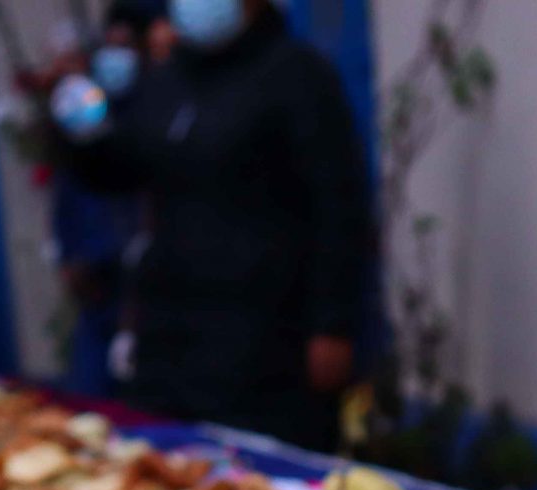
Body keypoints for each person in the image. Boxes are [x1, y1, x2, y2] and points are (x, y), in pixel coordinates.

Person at [54, 0, 372, 450]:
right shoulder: (167, 81)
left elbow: (339, 205)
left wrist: (333, 325)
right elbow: (125, 168)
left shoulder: (297, 75)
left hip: (265, 344)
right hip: (170, 340)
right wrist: (84, 133)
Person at [47, 3, 157, 395]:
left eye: (125, 45)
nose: (115, 57)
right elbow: (70, 187)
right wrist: (69, 254)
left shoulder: (158, 110)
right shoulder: (90, 108)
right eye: (109, 45)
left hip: (144, 284)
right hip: (95, 282)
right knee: (91, 393)